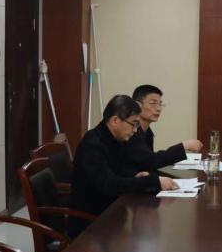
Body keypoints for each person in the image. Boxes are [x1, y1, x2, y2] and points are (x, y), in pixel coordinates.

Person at [70, 95, 177, 236]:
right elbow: (109, 184)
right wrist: (153, 181)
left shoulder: (115, 139)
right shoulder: (92, 145)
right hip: (91, 222)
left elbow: (117, 171)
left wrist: (134, 176)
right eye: (133, 124)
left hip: (111, 212)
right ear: (115, 120)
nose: (135, 130)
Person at [122, 84, 203, 174]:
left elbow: (149, 161)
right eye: (153, 103)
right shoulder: (130, 132)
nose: (158, 109)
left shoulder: (148, 132)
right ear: (138, 105)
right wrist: (184, 146)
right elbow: (150, 161)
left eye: (160, 104)